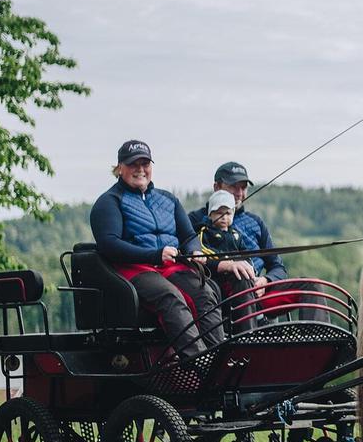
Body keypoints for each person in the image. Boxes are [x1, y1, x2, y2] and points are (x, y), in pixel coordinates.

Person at [90, 140, 225, 359]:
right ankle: (199, 362)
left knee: (204, 294)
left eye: (145, 164)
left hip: (170, 266)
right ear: (120, 168)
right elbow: (110, 245)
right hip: (133, 268)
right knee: (170, 297)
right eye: (134, 164)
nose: (140, 170)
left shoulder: (168, 199)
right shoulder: (109, 202)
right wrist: (154, 254)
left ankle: (221, 357)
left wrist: (194, 250)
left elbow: (189, 236)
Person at [189, 161, 327, 321]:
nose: (240, 193)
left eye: (243, 187)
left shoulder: (256, 223)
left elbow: (277, 267)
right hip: (224, 296)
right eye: (234, 186)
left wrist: (265, 281)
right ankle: (247, 339)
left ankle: (317, 344)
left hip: (260, 293)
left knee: (311, 286)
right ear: (216, 187)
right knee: (240, 281)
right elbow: (193, 260)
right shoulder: (196, 221)